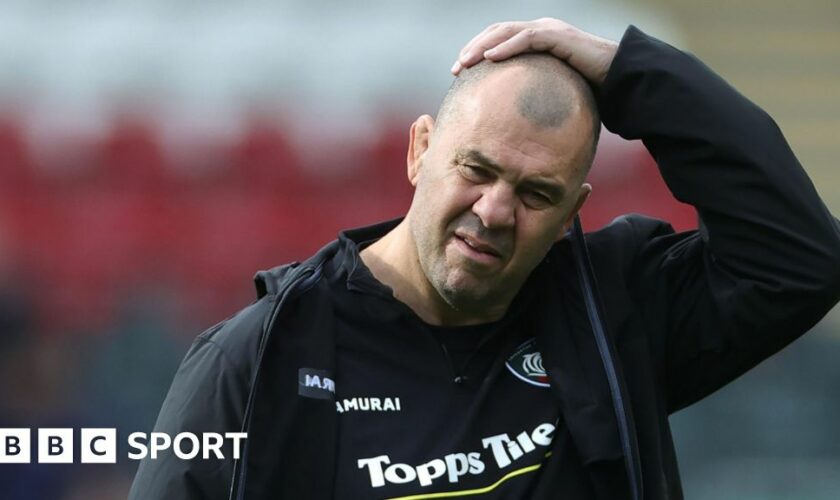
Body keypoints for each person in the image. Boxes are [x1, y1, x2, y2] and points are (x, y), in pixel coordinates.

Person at [128, 17, 840, 500]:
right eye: (476, 169)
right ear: (419, 151)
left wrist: (630, 74)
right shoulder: (260, 359)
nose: (495, 211)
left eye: (536, 193)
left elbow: (800, 258)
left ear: (573, 209)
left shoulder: (612, 313)